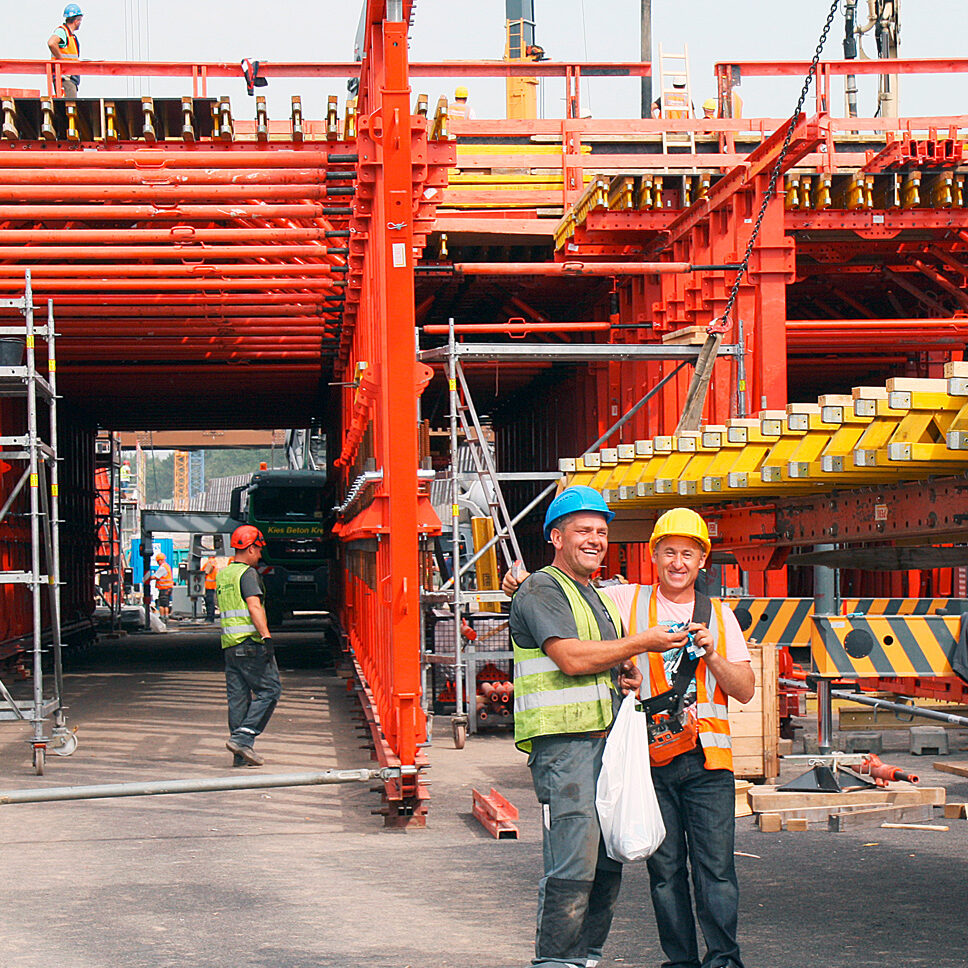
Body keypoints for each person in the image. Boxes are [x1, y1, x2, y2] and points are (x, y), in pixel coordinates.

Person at [506, 505, 755, 968]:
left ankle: (724, 959)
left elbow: (744, 690)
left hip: (708, 759)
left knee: (715, 870)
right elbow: (564, 600)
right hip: (649, 760)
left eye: (689, 553)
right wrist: (521, 585)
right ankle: (677, 962)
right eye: (668, 552)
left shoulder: (721, 615)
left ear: (703, 561)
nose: (678, 563)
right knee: (662, 872)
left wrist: (714, 656)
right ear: (653, 556)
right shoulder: (624, 601)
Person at [217, 525, 280, 767]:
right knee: (270, 690)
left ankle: (239, 755)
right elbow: (254, 606)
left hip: (230, 645)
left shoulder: (224, 574)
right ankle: (243, 739)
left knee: (238, 698)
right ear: (251, 548)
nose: (260, 555)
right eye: (259, 550)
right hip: (250, 643)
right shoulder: (248, 574)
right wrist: (267, 638)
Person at [47, 5, 83, 98]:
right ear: (76, 21)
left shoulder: (70, 35)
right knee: (70, 106)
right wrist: (61, 60)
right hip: (65, 78)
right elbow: (51, 43)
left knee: (71, 107)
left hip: (69, 78)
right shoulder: (63, 31)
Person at [200, 552, 227, 623]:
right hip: (211, 586)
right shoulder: (215, 563)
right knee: (210, 603)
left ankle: (210, 618)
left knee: (209, 603)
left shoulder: (210, 563)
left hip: (208, 586)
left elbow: (205, 572)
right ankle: (210, 617)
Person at [151, 551, 174, 624]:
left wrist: (147, 578)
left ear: (160, 561)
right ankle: (166, 617)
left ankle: (163, 617)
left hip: (164, 589)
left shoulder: (162, 568)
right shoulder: (167, 566)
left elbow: (156, 576)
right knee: (166, 604)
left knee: (162, 604)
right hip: (168, 588)